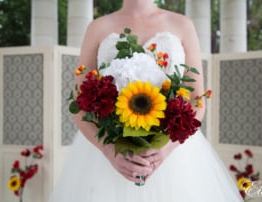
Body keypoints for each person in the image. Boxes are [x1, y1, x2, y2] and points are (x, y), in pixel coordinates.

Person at [49, 0, 244, 201]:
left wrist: (166, 147)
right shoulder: (97, 27)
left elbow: (197, 100)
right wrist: (109, 151)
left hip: (174, 157)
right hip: (109, 155)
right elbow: (81, 104)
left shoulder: (182, 24)